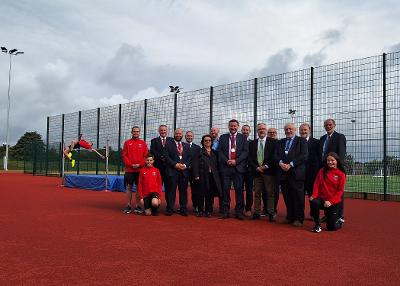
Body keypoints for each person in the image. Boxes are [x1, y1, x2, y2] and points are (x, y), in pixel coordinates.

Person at [274, 123, 308, 227]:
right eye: (286, 129)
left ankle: (299, 218)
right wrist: (280, 163)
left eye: (290, 129)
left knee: (298, 197)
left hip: (296, 173)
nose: (288, 131)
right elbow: (276, 155)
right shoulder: (280, 142)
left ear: (294, 130)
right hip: (283, 174)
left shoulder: (301, 141)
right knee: (287, 197)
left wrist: (291, 164)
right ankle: (290, 217)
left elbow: (304, 155)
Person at [218, 119, 249, 220]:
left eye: (235, 126)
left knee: (239, 190)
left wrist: (236, 161)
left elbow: (245, 152)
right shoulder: (222, 137)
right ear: (228, 126)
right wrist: (227, 160)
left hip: (238, 168)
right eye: (231, 126)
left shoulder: (243, 138)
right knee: (225, 190)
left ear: (238, 126)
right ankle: (225, 211)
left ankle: (239, 212)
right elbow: (220, 151)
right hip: (226, 167)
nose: (233, 128)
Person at [310, 152, 346, 233]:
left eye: (332, 160)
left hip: (333, 202)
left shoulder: (341, 174)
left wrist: (331, 201)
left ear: (336, 161)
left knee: (331, 228)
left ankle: (339, 221)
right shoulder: (322, 171)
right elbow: (316, 184)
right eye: (328, 160)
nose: (330, 162)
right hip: (322, 199)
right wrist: (314, 195)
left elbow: (340, 191)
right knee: (314, 201)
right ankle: (317, 225)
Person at [319, 119, 346, 223]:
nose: (328, 126)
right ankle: (328, 214)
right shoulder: (322, 138)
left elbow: (341, 154)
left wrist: (336, 168)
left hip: (335, 169)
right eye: (326, 125)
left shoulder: (340, 137)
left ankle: (339, 215)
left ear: (334, 125)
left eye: (330, 125)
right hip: (325, 170)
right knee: (326, 192)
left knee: (338, 193)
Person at [248, 123, 276, 221]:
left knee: (270, 193)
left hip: (269, 172)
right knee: (257, 193)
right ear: (257, 131)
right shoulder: (252, 143)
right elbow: (250, 158)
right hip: (256, 172)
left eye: (263, 129)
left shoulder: (273, 142)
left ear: (266, 130)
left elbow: (274, 157)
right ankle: (256, 212)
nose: (261, 131)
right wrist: (256, 167)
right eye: (259, 129)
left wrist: (265, 166)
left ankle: (271, 212)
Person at [164, 128, 192, 216]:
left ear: (182, 135)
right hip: (172, 171)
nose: (178, 135)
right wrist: (175, 165)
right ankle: (170, 208)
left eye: (180, 134)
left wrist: (185, 165)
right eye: (177, 134)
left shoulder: (186, 145)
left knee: (183, 191)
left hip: (183, 172)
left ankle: (183, 209)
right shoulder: (168, 144)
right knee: (171, 191)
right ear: (174, 134)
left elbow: (189, 158)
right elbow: (166, 157)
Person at [193, 134, 222, 217]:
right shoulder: (199, 152)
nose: (208, 142)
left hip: (212, 176)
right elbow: (195, 165)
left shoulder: (214, 153)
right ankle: (200, 211)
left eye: (209, 140)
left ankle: (208, 211)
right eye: (206, 141)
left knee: (210, 194)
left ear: (211, 142)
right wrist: (196, 175)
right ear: (203, 142)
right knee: (201, 194)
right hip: (202, 176)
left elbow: (217, 165)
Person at [121, 126, 148, 214]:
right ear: (132, 132)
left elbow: (145, 156)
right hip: (129, 170)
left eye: (137, 132)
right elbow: (124, 155)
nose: (136, 133)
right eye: (134, 131)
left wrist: (139, 165)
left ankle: (137, 205)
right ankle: (128, 205)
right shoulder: (127, 143)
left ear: (139, 133)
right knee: (129, 187)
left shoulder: (143, 143)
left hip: (140, 170)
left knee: (138, 188)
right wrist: (131, 165)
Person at [299, 123, 320, 217]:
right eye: (301, 130)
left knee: (313, 196)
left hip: (312, 175)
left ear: (309, 130)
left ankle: (314, 214)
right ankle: (300, 214)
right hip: (299, 174)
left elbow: (318, 158)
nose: (303, 132)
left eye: (305, 130)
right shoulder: (296, 142)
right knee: (299, 197)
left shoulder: (316, 142)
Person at [185, 131, 201, 213]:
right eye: (188, 136)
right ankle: (183, 206)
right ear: (185, 137)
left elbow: (198, 160)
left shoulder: (197, 148)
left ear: (193, 137)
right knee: (183, 189)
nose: (189, 137)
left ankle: (196, 205)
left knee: (195, 190)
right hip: (184, 171)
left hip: (194, 172)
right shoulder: (182, 146)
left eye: (191, 136)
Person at [241, 124, 253, 217]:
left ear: (250, 132)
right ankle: (240, 207)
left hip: (249, 170)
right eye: (244, 130)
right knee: (239, 189)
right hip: (239, 170)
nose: (245, 132)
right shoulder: (238, 141)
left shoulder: (252, 143)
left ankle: (248, 208)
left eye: (247, 130)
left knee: (249, 190)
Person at [267, 127, 279, 215]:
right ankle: (266, 209)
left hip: (277, 171)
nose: (272, 133)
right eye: (270, 132)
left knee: (275, 191)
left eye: (274, 132)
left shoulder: (280, 143)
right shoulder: (265, 142)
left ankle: (273, 209)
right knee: (266, 191)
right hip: (266, 171)